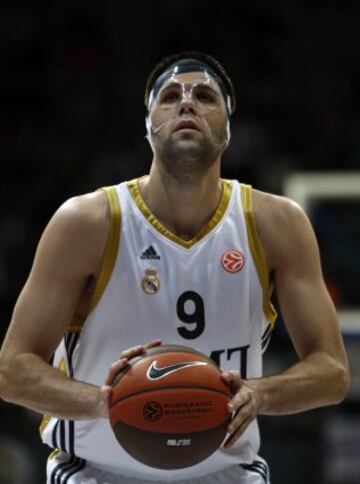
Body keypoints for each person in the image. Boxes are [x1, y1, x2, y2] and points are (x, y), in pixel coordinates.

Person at [0, 52, 350, 484]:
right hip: (96, 473)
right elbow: (12, 369)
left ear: (227, 129)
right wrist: (104, 402)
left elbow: (333, 371)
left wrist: (260, 394)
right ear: (148, 125)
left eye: (205, 96)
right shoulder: (86, 223)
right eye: (169, 96)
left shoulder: (276, 224)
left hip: (228, 472)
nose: (187, 103)